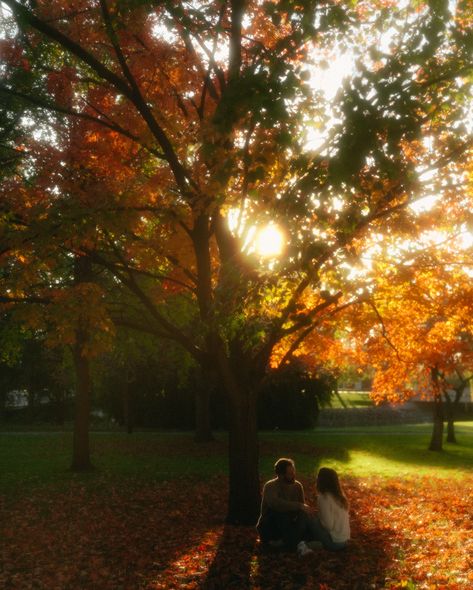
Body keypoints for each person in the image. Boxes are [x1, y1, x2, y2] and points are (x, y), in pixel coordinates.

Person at [256, 457, 314, 551]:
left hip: (289, 525)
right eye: (290, 473)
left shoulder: (297, 486)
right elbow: (275, 504)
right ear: (281, 475)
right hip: (271, 526)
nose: (293, 475)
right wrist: (298, 505)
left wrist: (303, 509)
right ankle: (295, 543)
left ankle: (288, 542)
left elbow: (301, 508)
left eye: (293, 472)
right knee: (279, 512)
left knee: (304, 514)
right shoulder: (270, 486)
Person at [298, 467, 350, 554]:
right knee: (313, 516)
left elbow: (328, 526)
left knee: (306, 514)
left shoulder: (324, 497)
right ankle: (311, 543)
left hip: (334, 543)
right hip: (344, 542)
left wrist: (318, 517)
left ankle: (298, 542)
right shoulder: (340, 496)